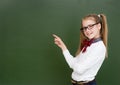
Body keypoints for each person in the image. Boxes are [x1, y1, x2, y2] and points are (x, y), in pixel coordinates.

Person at [53, 14, 108, 85]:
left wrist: (75, 65)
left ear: (99, 26)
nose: (87, 30)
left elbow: (79, 69)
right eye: (84, 28)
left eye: (90, 26)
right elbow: (74, 62)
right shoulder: (89, 45)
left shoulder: (99, 47)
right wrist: (63, 47)